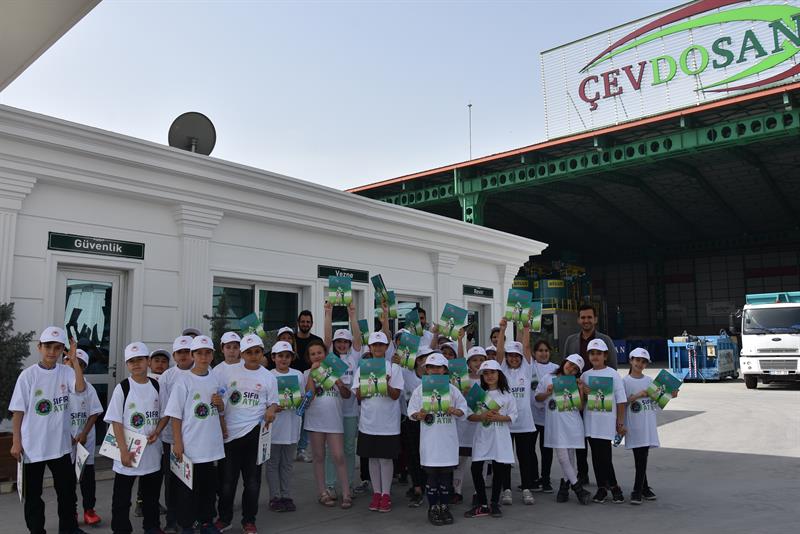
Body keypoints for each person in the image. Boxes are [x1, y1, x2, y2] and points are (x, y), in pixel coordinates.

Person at [10, 326, 88, 534]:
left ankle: (69, 529)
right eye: (47, 347)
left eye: (57, 348)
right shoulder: (28, 376)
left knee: (67, 492)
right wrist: (16, 441)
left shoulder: (66, 371)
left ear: (63, 350)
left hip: (60, 446)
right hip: (33, 447)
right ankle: (37, 530)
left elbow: (80, 389)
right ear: (39, 347)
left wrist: (74, 361)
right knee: (33, 495)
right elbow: (17, 411)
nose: (52, 352)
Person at [214, 334, 278, 533]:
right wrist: (221, 422)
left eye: (257, 352)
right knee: (227, 481)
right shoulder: (228, 374)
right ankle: (224, 519)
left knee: (252, 482)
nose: (253, 355)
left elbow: (273, 402)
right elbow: (220, 401)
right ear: (242, 354)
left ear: (262, 353)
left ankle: (249, 520)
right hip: (230, 435)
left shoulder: (268, 376)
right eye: (248, 352)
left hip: (255, 434)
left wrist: (271, 410)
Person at [164, 335, 227, 533]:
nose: (204, 357)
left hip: (210, 445)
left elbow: (221, 409)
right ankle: (186, 524)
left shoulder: (216, 378)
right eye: (199, 353)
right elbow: (175, 415)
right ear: (193, 355)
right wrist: (178, 442)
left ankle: (206, 521)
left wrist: (221, 405)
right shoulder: (183, 381)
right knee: (187, 489)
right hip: (190, 445)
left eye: (207, 353)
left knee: (208, 487)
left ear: (212, 355)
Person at [105, 342, 169, 534]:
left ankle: (152, 526)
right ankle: (121, 528)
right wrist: (123, 451)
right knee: (122, 497)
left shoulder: (157, 386)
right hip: (128, 452)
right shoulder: (123, 388)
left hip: (152, 452)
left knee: (151, 495)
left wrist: (157, 431)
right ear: (127, 364)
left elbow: (165, 414)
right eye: (131, 361)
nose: (136, 364)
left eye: (140, 359)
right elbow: (116, 421)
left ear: (148, 361)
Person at [407, 353, 468, 526]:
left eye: (439, 367)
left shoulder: (453, 390)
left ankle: (444, 506)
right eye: (431, 367)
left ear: (445, 370)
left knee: (446, 477)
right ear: (426, 370)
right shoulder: (420, 390)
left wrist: (455, 411)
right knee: (432, 477)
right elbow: (412, 412)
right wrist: (419, 415)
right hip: (430, 443)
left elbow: (464, 410)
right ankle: (433, 507)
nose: (435, 370)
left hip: (447, 443)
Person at [562, 303, 618, 483]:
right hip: (575, 393)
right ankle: (582, 473)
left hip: (598, 394)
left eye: (589, 317)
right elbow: (565, 366)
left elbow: (613, 368)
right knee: (578, 436)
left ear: (595, 319)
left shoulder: (605, 340)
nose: (586, 320)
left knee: (598, 440)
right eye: (583, 317)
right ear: (578, 320)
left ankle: (605, 479)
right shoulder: (570, 340)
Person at [352, 330, 404, 513]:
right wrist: (368, 384)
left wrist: (385, 384)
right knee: (373, 459)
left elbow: (396, 395)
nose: (378, 348)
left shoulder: (394, 368)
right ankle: (376, 493)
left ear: (386, 347)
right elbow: (358, 396)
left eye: (381, 344)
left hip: (388, 423)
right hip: (368, 422)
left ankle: (386, 494)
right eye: (375, 345)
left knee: (386, 460)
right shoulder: (362, 368)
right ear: (370, 347)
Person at [533, 354, 591, 505]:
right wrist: (547, 392)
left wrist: (580, 390)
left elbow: (580, 407)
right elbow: (537, 398)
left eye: (575, 368)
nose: (571, 368)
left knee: (570, 456)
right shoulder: (548, 377)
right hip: (555, 424)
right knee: (562, 457)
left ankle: (564, 487)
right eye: (570, 364)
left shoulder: (575, 382)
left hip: (572, 423)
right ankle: (578, 488)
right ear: (564, 362)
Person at [464, 360, 517, 519]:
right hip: (482, 436)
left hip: (500, 437)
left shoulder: (507, 394)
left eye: (493, 372)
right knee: (476, 468)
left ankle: (494, 503)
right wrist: (481, 416)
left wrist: (500, 417)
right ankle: (482, 504)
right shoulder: (478, 393)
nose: (489, 376)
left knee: (498, 468)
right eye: (486, 373)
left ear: (499, 374)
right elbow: (469, 416)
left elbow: (513, 415)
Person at [304, 337, 353, 509]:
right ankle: (322, 492)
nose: (317, 356)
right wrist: (312, 375)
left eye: (319, 352)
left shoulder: (336, 369)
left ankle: (346, 492)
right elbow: (309, 397)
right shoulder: (306, 373)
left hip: (334, 420)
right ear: (309, 357)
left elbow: (347, 395)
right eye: (313, 354)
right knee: (318, 457)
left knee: (339, 456)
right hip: (315, 420)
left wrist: (338, 382)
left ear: (325, 354)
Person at [624, 347, 677, 505]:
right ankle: (638, 490)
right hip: (634, 425)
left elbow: (657, 402)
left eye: (643, 362)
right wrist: (637, 396)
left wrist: (670, 395)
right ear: (631, 361)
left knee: (642, 457)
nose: (640, 364)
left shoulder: (650, 381)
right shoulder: (624, 382)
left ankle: (643, 489)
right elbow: (620, 403)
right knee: (640, 457)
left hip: (647, 424)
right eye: (637, 360)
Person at [322, 301, 362, 501]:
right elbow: (327, 338)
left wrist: (352, 315)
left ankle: (349, 484)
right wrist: (328, 313)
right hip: (332, 412)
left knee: (348, 449)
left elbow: (358, 338)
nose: (342, 344)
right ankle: (330, 485)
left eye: (345, 341)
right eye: (339, 342)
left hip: (350, 411)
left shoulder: (355, 357)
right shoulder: (330, 357)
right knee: (332, 451)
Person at [580, 338, 627, 504]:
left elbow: (621, 400)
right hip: (590, 422)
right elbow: (581, 402)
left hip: (606, 423)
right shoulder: (585, 375)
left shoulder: (612, 374)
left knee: (605, 457)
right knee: (595, 457)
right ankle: (601, 488)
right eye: (592, 353)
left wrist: (620, 422)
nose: (595, 356)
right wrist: (582, 392)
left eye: (598, 353)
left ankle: (614, 486)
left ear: (605, 356)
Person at [495, 319, 536, 506]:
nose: (513, 358)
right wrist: (502, 329)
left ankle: (527, 488)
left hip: (524, 423)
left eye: (517, 356)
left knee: (525, 458)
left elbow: (526, 347)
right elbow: (499, 352)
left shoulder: (526, 370)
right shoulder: (502, 370)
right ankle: (507, 490)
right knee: (505, 459)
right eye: (510, 355)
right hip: (505, 422)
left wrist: (526, 329)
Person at [158, 335, 194, 533]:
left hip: (194, 436)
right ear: (174, 355)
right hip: (171, 437)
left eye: (187, 352)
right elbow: (165, 409)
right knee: (171, 479)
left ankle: (188, 518)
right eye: (180, 352)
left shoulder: (203, 372)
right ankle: (171, 520)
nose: (184, 355)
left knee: (190, 479)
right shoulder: (167, 376)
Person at [65, 348, 104, 527]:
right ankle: (71, 511)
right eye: (71, 362)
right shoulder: (59, 386)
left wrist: (84, 433)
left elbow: (94, 413)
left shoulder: (88, 388)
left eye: (79, 364)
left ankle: (89, 510)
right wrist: (67, 435)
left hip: (84, 440)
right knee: (67, 479)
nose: (74, 366)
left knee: (87, 477)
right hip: (65, 441)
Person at [266, 341, 305, 512]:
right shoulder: (268, 375)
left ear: (292, 358)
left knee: (287, 464)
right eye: (280, 356)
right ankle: (275, 497)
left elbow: (302, 398)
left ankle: (286, 495)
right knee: (273, 463)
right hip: (274, 427)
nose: (284, 359)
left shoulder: (298, 375)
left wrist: (299, 401)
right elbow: (264, 401)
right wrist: (273, 407)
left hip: (291, 426)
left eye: (287, 356)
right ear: (273, 357)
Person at [453, 346, 485, 506]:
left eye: (481, 360)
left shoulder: (488, 380)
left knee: (480, 460)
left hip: (481, 426)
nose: (478, 363)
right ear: (468, 363)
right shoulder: (461, 380)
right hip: (464, 426)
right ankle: (456, 491)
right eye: (474, 360)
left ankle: (479, 492)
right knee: (460, 459)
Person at [527, 339, 558, 493]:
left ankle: (545, 479)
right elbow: (525, 346)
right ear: (534, 353)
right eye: (540, 350)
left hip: (549, 416)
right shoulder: (529, 367)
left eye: (546, 350)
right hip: (532, 416)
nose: (543, 353)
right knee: (529, 449)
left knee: (546, 450)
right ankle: (533, 478)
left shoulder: (556, 369)